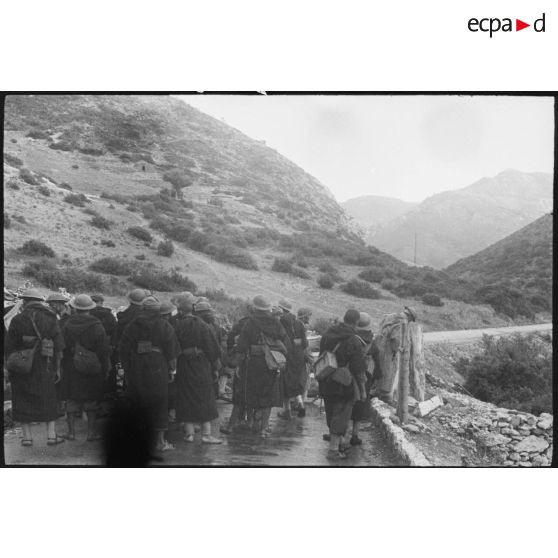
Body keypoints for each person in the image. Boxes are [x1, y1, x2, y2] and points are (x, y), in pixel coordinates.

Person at [5, 288, 65, 446]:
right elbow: (59, 346)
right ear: (40, 302)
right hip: (45, 364)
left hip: (23, 365)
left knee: (22, 398)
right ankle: (51, 436)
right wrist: (58, 368)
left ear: (25, 301)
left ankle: (27, 438)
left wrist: (9, 366)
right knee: (48, 397)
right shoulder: (51, 318)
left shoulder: (17, 319)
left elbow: (9, 346)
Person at [119, 296, 179, 452]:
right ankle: (160, 442)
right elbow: (171, 352)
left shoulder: (132, 326)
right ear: (158, 311)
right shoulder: (164, 326)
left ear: (142, 310)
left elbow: (124, 349)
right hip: (158, 365)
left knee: (136, 400)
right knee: (159, 401)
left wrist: (127, 368)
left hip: (137, 366)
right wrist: (172, 370)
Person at [236, 295, 290, 438]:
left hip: (253, 363)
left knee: (252, 392)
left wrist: (238, 363)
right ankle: (264, 428)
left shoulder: (250, 323)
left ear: (254, 308)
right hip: (271, 363)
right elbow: (285, 341)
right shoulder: (276, 323)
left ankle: (251, 421)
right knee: (268, 394)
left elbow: (241, 346)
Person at [60, 294, 110, 441]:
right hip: (92, 368)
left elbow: (62, 346)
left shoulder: (68, 325)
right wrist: (105, 368)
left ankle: (71, 433)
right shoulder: (97, 326)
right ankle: (91, 433)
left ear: (75, 308)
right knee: (91, 400)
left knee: (71, 399)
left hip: (71, 367)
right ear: (90, 308)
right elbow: (103, 350)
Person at [318, 309, 367, 460]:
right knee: (341, 414)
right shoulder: (353, 340)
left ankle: (338, 443)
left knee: (331, 410)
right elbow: (358, 369)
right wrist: (363, 390)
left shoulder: (328, 334)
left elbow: (321, 354)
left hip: (326, 377)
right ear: (356, 322)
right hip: (344, 382)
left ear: (344, 318)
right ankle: (333, 450)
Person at [174, 293, 222, 444]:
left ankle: (189, 434)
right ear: (193, 308)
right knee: (204, 397)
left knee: (186, 396)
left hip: (182, 364)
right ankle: (206, 434)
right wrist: (215, 365)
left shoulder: (174, 324)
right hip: (200, 364)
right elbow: (213, 348)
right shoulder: (202, 325)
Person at [220, 306, 253, 434]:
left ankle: (233, 424)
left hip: (243, 363)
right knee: (251, 393)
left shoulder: (242, 323)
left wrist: (231, 354)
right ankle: (250, 422)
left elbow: (231, 341)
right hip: (257, 364)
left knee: (239, 394)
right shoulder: (265, 324)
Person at [277, 299, 308, 419]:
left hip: (286, 355)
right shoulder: (299, 323)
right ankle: (300, 403)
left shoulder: (280, 322)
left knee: (284, 382)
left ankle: (287, 411)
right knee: (295, 381)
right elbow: (305, 343)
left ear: (281, 309)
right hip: (299, 356)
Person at [349, 312, 375, 446]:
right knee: (360, 404)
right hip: (366, 375)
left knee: (347, 403)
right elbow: (377, 356)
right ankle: (355, 434)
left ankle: (340, 435)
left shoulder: (351, 337)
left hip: (350, 372)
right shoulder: (371, 339)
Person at [90, 293, 118, 397]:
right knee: (108, 367)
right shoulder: (109, 315)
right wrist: (113, 345)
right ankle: (108, 391)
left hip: (91, 346)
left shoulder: (88, 313)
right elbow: (115, 331)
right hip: (108, 344)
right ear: (101, 303)